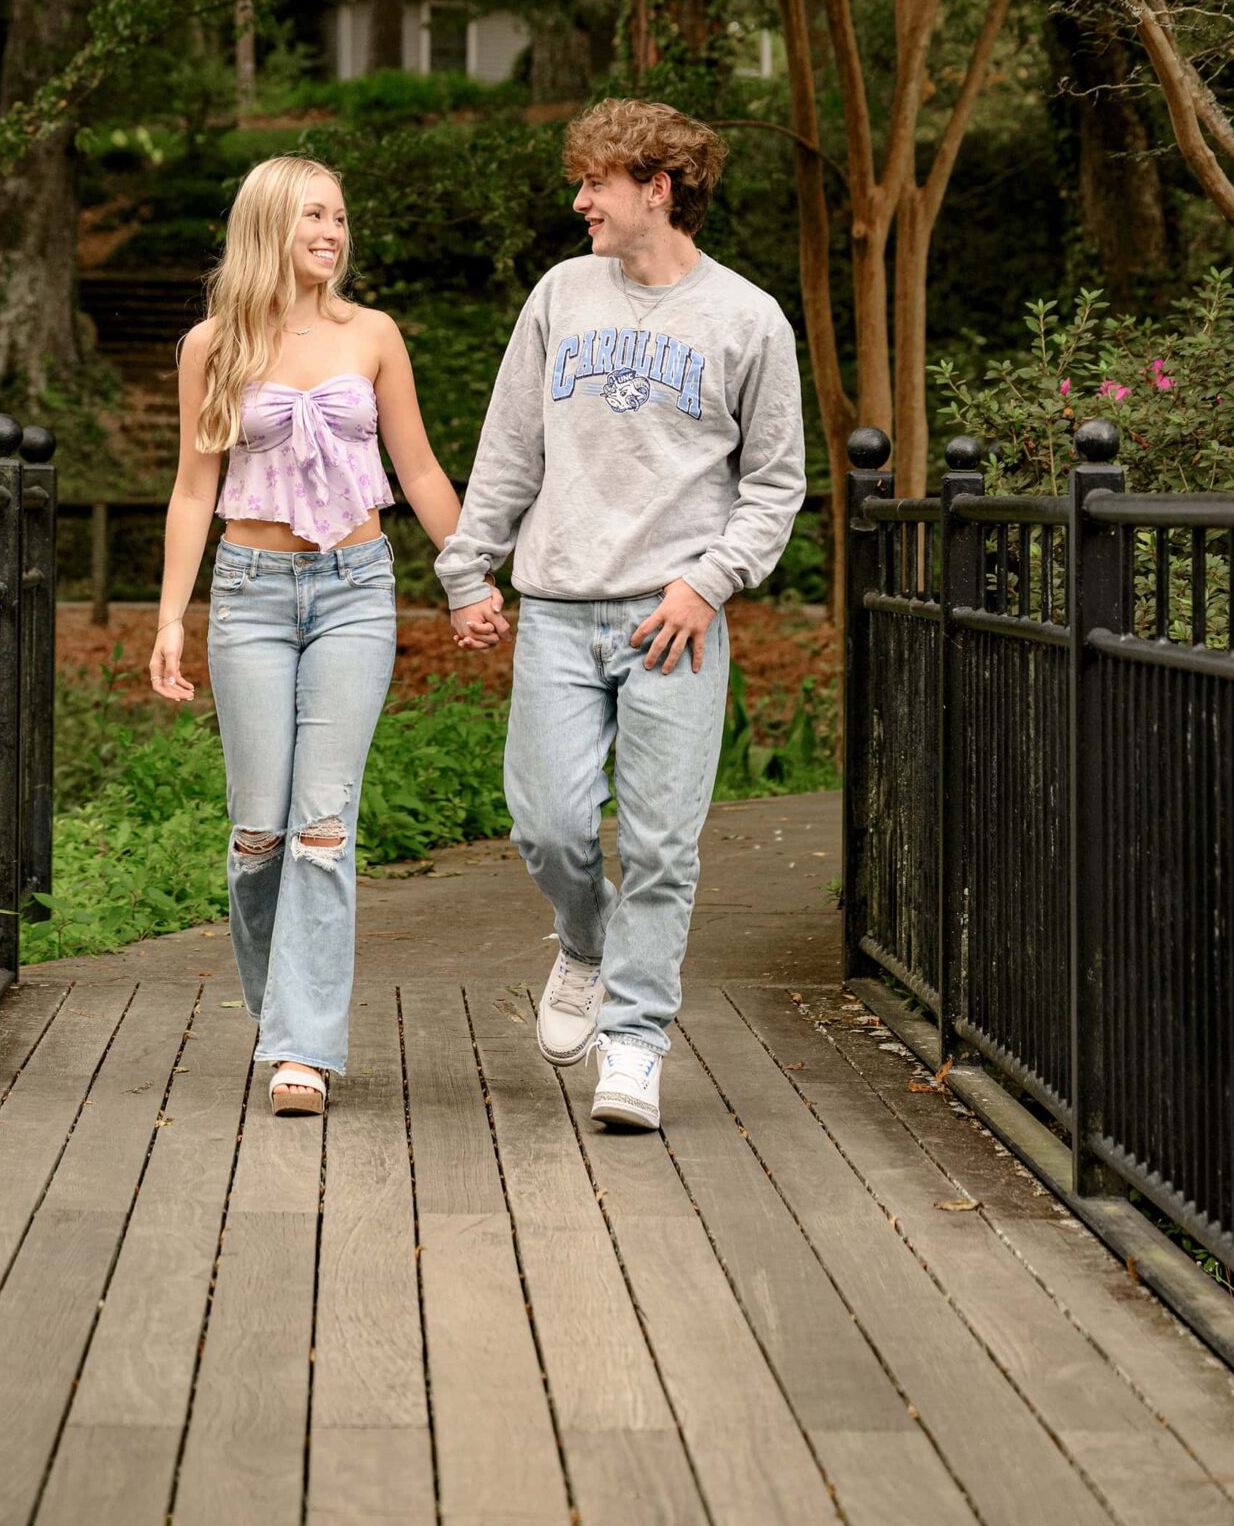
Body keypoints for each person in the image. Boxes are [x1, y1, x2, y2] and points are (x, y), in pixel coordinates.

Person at [435, 99, 804, 1131]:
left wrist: (708, 582)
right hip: (556, 608)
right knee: (549, 826)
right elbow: (508, 449)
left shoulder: (746, 319)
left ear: (659, 186)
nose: (578, 199)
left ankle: (634, 1044)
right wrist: (469, 569)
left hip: (673, 618)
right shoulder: (559, 296)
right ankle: (585, 945)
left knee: (659, 843)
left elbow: (773, 487)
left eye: (596, 181)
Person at [149, 154, 490, 1119]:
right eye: (312, 217)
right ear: (268, 225)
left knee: (322, 828)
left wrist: (467, 580)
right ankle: (283, 1014)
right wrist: (172, 616)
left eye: (339, 216)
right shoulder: (211, 345)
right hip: (250, 595)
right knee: (259, 833)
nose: (332, 233)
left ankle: (304, 1047)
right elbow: (193, 488)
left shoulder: (373, 334)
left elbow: (419, 471)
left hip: (354, 590)